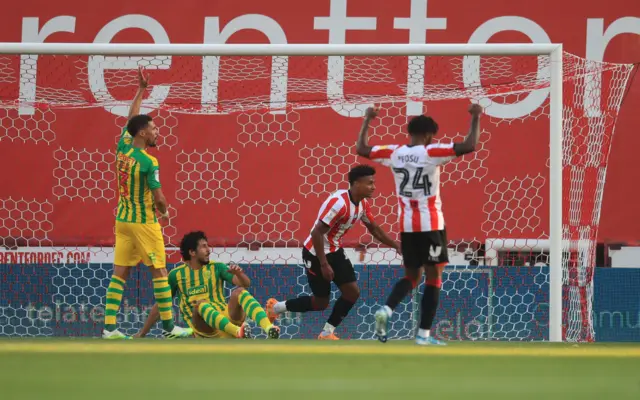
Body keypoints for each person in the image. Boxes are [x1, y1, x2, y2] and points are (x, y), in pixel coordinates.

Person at [355, 104, 483, 345]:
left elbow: (361, 148)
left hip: (406, 226)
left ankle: (386, 310)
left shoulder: (395, 153)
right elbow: (469, 145)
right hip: (431, 225)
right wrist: (476, 117)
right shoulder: (431, 151)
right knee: (434, 278)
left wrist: (367, 120)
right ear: (429, 135)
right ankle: (423, 336)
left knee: (412, 276)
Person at [102, 66, 191, 340]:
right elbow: (160, 197)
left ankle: (109, 328)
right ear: (142, 134)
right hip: (143, 222)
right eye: (152, 128)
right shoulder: (149, 161)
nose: (156, 131)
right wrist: (165, 211)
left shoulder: (123, 147)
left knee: (120, 274)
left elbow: (131, 119)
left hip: (122, 221)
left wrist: (141, 89)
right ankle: (168, 327)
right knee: (161, 273)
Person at [267, 165, 400, 340]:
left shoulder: (363, 204)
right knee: (321, 302)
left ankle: (327, 333)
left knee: (352, 292)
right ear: (356, 183)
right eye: (369, 183)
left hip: (334, 249)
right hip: (315, 252)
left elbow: (374, 229)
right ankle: (275, 308)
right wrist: (324, 264)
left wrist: (396, 246)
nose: (373, 187)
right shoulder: (339, 203)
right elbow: (316, 233)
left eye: (373, 183)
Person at [136, 231, 280, 339]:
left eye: (207, 246)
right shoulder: (176, 275)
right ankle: (238, 332)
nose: (209, 250)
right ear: (192, 252)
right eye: (204, 247)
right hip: (206, 330)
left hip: (228, 319)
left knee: (240, 291)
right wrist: (143, 333)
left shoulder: (216, 267)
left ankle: (269, 328)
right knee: (200, 305)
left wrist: (239, 274)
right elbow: (161, 304)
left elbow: (245, 284)